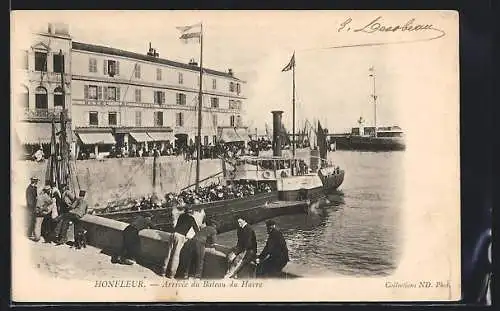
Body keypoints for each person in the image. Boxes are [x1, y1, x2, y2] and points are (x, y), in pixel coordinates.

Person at [162, 205, 200, 278]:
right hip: (180, 236)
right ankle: (171, 275)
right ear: (191, 212)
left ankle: (163, 272)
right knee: (176, 256)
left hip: (173, 234)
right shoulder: (191, 218)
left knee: (168, 253)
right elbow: (197, 230)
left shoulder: (181, 216)